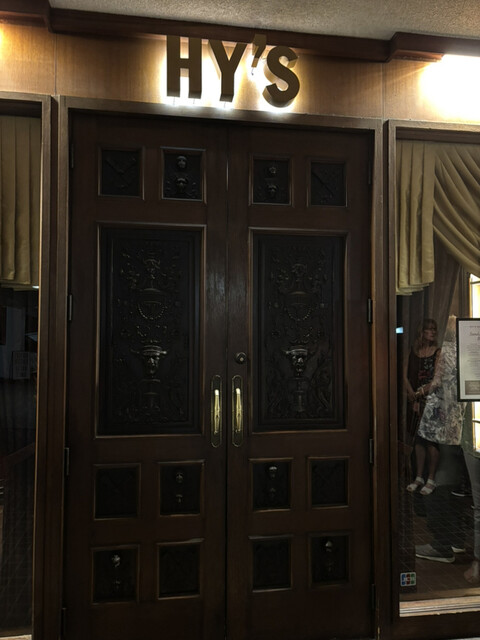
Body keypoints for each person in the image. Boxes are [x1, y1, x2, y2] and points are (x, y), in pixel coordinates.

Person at [404, 318, 441, 494]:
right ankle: (418, 477)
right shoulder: (412, 351)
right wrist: (411, 394)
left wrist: (419, 393)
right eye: (429, 329)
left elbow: (437, 380)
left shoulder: (438, 352)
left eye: (434, 329)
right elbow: (403, 375)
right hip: (414, 400)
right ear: (421, 331)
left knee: (431, 440)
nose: (432, 332)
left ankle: (431, 479)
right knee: (418, 439)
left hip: (432, 400)